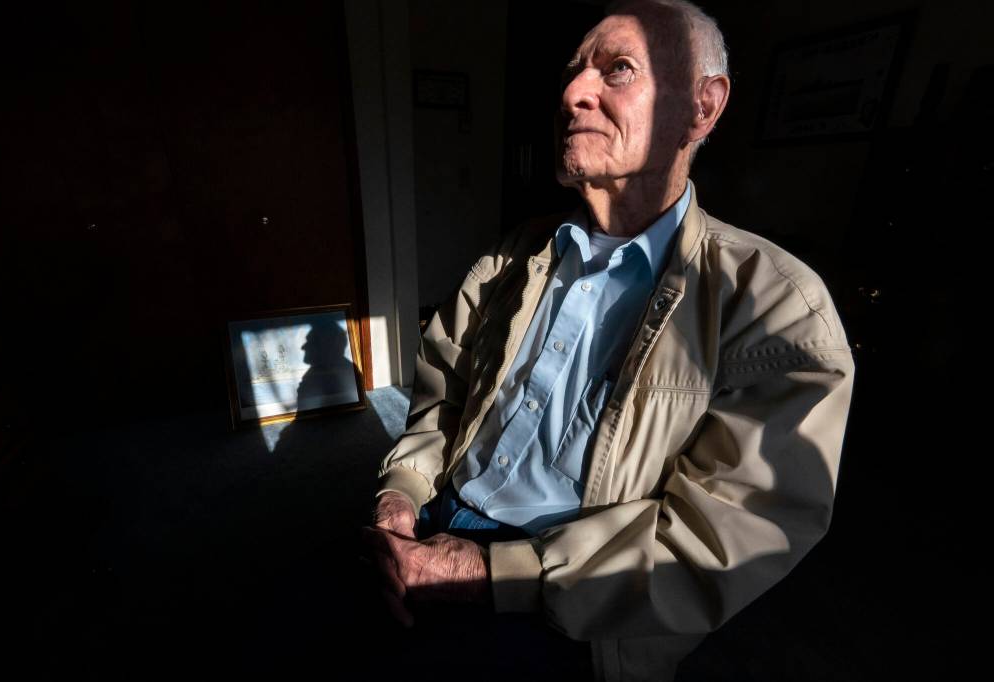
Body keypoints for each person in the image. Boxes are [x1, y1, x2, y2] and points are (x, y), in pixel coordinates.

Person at [361, 0, 856, 680]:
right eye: (572, 72)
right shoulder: (511, 256)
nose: (572, 93)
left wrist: (488, 572)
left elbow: (724, 534)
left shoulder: (776, 305)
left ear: (702, 108)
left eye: (617, 68)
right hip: (438, 514)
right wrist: (401, 491)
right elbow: (442, 392)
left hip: (576, 598)